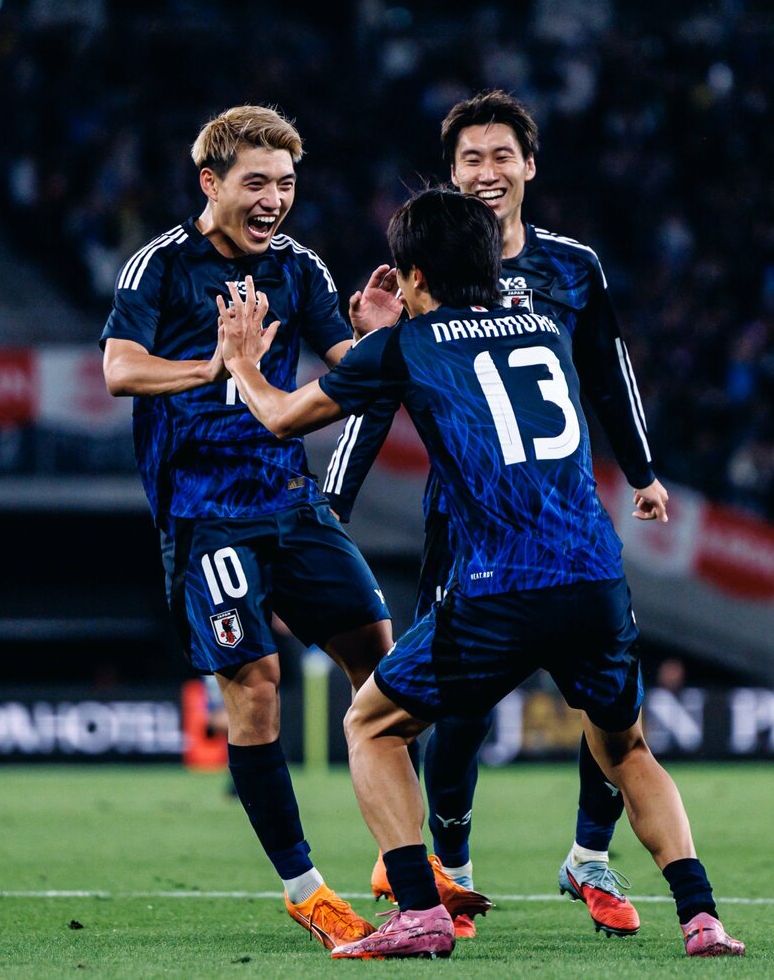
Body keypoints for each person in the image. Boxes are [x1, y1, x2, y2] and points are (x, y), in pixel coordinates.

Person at [219, 187, 745, 959]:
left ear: (413, 275)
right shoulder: (543, 326)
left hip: (502, 585)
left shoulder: (408, 344)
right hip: (597, 579)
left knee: (371, 723)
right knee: (628, 749)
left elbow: (280, 415)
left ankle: (421, 909)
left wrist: (242, 360)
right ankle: (701, 918)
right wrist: (381, 339)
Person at [99, 106, 482, 955]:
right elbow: (119, 367)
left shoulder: (299, 266)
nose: (274, 199)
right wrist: (215, 365)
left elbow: (347, 365)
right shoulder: (160, 268)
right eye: (256, 183)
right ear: (211, 183)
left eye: (286, 183)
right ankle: (305, 888)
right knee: (258, 683)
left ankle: (401, 869)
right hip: (206, 513)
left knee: (385, 673)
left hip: (290, 500)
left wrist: (389, 338)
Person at [322, 90, 647, 937]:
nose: (488, 172)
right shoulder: (422, 273)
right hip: (464, 525)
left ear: (529, 166)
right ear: (453, 174)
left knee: (609, 698)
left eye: (502, 156)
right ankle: (451, 867)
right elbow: (376, 390)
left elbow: (608, 371)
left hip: (566, 521)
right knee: (453, 704)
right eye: (471, 159)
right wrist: (334, 500)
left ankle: (590, 853)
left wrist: (642, 469)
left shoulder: (572, 267)